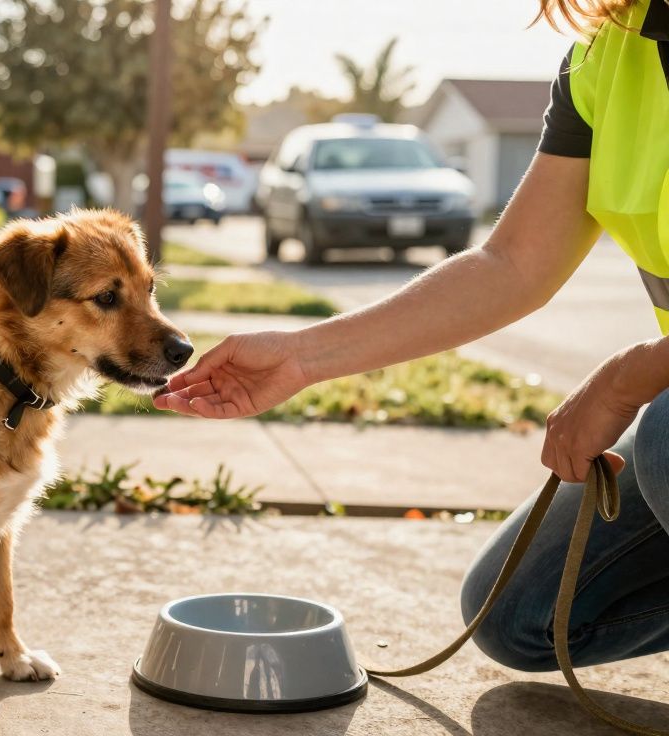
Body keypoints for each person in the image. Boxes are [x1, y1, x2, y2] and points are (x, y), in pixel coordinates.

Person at [154, 0, 669, 672]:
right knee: (519, 613)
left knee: (663, 440)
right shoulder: (609, 52)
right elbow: (510, 265)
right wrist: (302, 356)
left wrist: (630, 378)